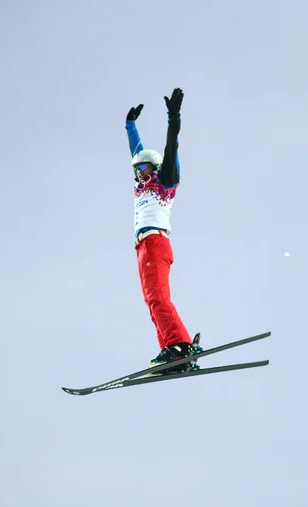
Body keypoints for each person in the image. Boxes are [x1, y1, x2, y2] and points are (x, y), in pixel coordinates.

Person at [125, 87, 201, 372]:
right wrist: (130, 125)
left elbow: (172, 147)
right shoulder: (141, 183)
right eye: (136, 170)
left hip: (156, 241)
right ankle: (171, 349)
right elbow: (136, 151)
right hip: (142, 246)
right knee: (151, 300)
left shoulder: (164, 181)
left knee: (158, 296)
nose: (139, 174)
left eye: (143, 169)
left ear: (154, 168)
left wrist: (173, 117)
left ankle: (179, 345)